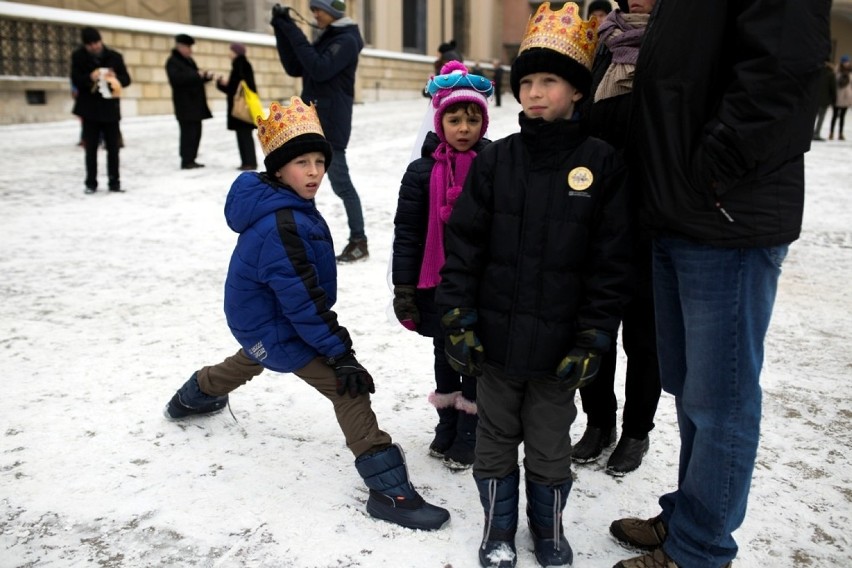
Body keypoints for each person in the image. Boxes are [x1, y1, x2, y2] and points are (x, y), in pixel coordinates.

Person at [162, 96, 450, 533]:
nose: (315, 171)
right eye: (302, 162)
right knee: (347, 388)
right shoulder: (283, 224)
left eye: (319, 161)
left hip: (264, 319)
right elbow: (303, 304)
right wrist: (341, 354)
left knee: (255, 354)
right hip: (275, 320)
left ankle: (192, 396)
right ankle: (391, 492)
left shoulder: (282, 205)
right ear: (279, 169)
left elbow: (296, 297)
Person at [610, 1, 830, 567]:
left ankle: (700, 551)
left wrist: (712, 169)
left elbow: (783, 67)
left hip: (725, 211)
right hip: (680, 209)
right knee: (692, 390)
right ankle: (691, 518)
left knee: (721, 400)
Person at [435, 4, 632, 566]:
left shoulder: (602, 164)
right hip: (494, 344)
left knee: (549, 446)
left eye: (549, 80)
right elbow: (464, 245)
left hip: (558, 351)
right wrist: (457, 316)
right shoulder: (497, 161)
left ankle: (548, 530)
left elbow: (609, 262)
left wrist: (595, 335)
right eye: (526, 82)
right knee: (495, 440)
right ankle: (497, 531)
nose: (535, 92)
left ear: (576, 90)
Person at [573, 0, 661, 476]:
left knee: (645, 339)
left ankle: (636, 432)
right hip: (597, 212)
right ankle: (598, 423)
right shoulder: (602, 42)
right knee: (595, 329)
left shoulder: (673, 44)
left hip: (651, 214)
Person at [391, 61, 493, 472]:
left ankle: (470, 430)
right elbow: (408, 235)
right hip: (433, 284)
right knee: (443, 353)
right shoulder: (420, 173)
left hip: (480, 284)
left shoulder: (494, 167)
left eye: (472, 119)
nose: (464, 127)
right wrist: (404, 290)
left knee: (473, 356)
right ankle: (446, 420)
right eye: (454, 118)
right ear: (440, 120)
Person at [270, 0, 369, 263]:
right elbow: (296, 67)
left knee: (341, 184)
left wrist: (293, 30)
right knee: (302, 180)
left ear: (333, 11)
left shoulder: (346, 40)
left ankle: (359, 241)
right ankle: (303, 238)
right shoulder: (329, 37)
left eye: (318, 9)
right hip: (312, 119)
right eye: (312, 9)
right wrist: (282, 28)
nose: (314, 13)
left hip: (331, 122)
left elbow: (319, 68)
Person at [70, 26, 131, 194]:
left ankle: (114, 182)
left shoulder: (115, 57)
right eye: (90, 45)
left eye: (96, 43)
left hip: (110, 109)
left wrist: (114, 77)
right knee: (90, 149)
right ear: (85, 45)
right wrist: (90, 77)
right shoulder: (78, 57)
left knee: (113, 148)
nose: (94, 47)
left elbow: (127, 80)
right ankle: (91, 183)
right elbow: (75, 79)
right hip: (90, 111)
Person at [165, 33, 214, 170]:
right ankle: (186, 160)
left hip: (196, 105)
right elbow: (177, 79)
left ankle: (192, 158)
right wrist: (196, 74)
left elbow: (194, 78)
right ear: (180, 46)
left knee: (196, 132)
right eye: (188, 47)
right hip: (185, 105)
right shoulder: (173, 61)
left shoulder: (189, 61)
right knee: (188, 133)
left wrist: (205, 77)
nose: (190, 50)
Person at [216, 42, 259, 170]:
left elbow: (236, 87)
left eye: (231, 51)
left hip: (241, 107)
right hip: (243, 106)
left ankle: (249, 162)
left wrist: (223, 84)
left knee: (244, 135)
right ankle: (247, 162)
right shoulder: (242, 64)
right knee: (243, 135)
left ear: (236, 52)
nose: (229, 53)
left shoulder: (240, 65)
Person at [829, 55, 852, 141]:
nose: (846, 63)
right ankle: (831, 133)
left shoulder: (850, 72)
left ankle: (840, 134)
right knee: (834, 116)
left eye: (848, 62)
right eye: (845, 62)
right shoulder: (836, 71)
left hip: (846, 98)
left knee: (842, 116)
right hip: (837, 97)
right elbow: (833, 84)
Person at [813, 59, 837, 141]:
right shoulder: (830, 74)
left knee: (813, 118)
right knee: (820, 118)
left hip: (814, 100)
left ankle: (812, 133)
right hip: (824, 100)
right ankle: (816, 133)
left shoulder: (816, 72)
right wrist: (834, 99)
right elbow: (833, 88)